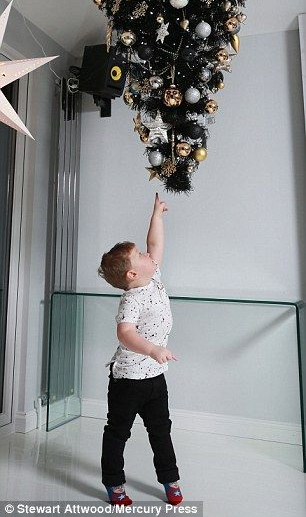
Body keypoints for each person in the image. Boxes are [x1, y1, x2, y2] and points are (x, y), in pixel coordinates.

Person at [98, 193, 183, 506]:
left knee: (161, 430)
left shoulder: (152, 275)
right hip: (128, 380)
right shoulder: (132, 300)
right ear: (132, 274)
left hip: (155, 377)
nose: (149, 255)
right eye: (141, 256)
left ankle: (170, 479)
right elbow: (124, 333)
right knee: (118, 431)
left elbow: (156, 244)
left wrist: (157, 216)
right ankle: (114, 484)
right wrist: (151, 349)